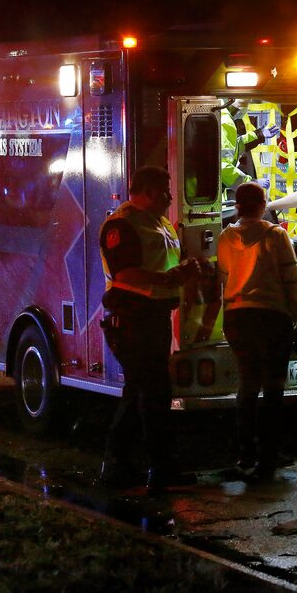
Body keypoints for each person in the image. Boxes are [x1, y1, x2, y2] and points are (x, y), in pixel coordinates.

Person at [98, 166, 200, 491]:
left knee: (147, 391)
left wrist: (185, 270)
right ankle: (136, 467)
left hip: (155, 316)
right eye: (166, 190)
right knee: (149, 391)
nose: (171, 197)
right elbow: (126, 274)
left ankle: (133, 466)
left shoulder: (160, 222)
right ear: (148, 190)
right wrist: (168, 279)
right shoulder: (121, 224)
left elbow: (165, 262)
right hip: (132, 318)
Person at [217, 182, 297, 480]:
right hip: (271, 318)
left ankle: (246, 453)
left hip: (237, 318)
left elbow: (222, 278)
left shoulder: (226, 237)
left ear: (237, 205)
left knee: (247, 385)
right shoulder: (276, 235)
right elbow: (292, 281)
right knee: (272, 388)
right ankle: (268, 457)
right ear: (264, 204)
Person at [221, 99, 277, 197]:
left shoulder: (222, 117)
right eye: (243, 104)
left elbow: (237, 146)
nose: (245, 109)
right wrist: (251, 183)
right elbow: (223, 167)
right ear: (230, 101)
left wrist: (259, 135)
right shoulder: (226, 122)